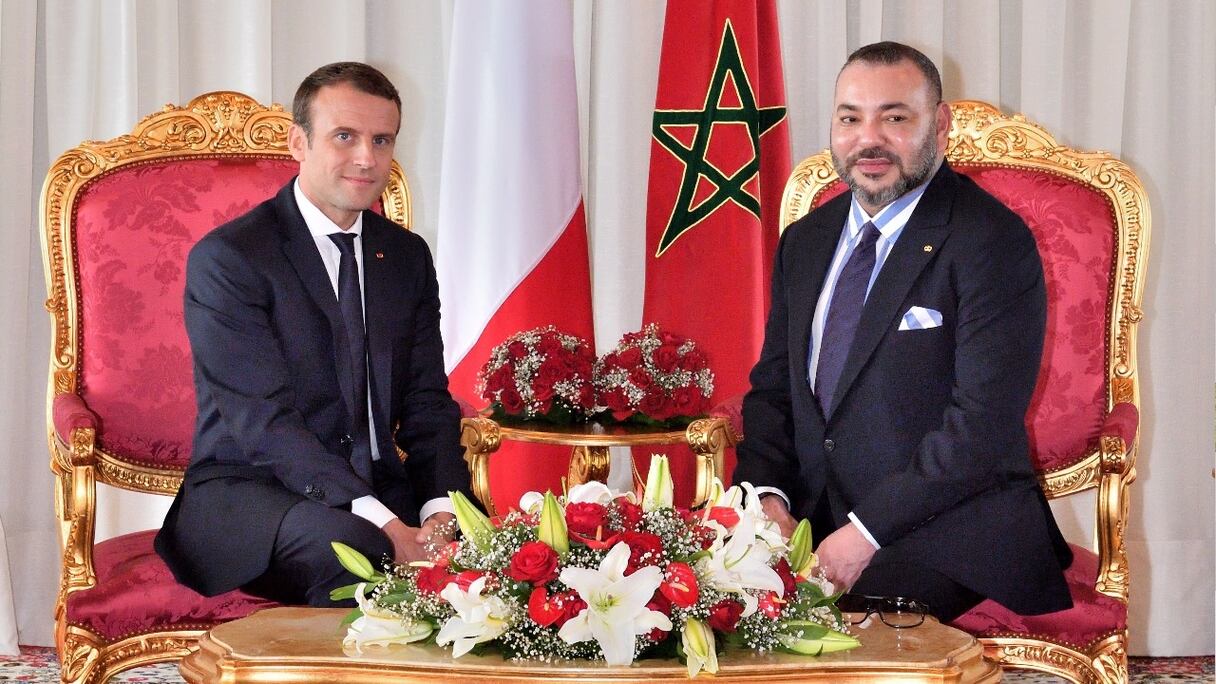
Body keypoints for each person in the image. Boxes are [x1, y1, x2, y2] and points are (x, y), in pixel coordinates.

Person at [733, 42, 1073, 621]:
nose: (870, 139)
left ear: (938, 124)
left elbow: (981, 427)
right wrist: (769, 500)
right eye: (850, 118)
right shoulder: (806, 241)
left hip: (950, 526)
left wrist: (863, 534)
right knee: (700, 593)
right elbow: (773, 393)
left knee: (840, 624)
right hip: (814, 517)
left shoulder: (990, 240)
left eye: (894, 117)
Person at [155, 62, 472, 606]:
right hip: (252, 493)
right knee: (354, 551)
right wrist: (391, 529)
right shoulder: (232, 259)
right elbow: (263, 425)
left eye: (382, 139)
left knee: (488, 544)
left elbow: (426, 401)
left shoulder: (405, 257)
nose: (366, 158)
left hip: (379, 488)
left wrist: (441, 512)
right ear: (298, 142)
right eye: (344, 136)